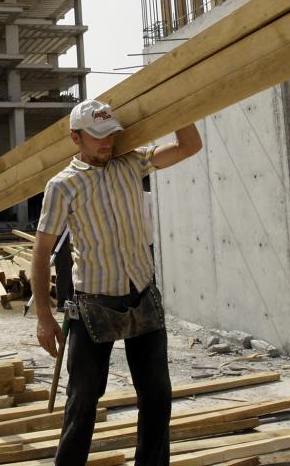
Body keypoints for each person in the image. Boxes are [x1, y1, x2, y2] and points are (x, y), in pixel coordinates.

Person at [31, 99, 202, 466]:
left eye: (110, 135)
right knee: (83, 404)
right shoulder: (63, 186)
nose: (106, 143)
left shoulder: (132, 162)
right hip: (95, 304)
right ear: (76, 137)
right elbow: (41, 251)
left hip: (142, 296)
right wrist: (44, 316)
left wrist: (178, 102)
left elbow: (189, 146)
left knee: (157, 397)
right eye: (96, 137)